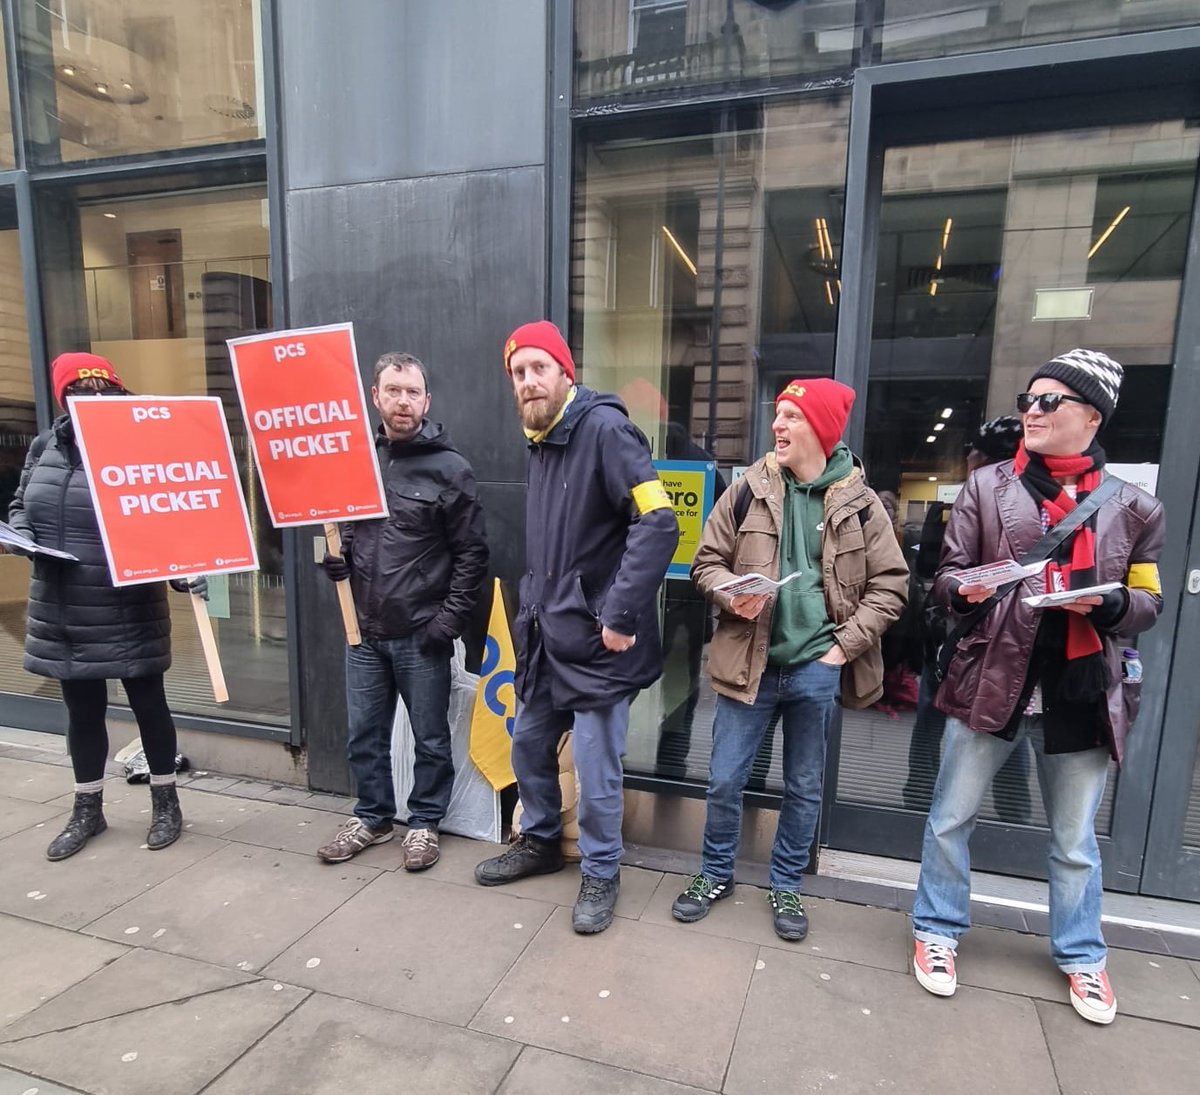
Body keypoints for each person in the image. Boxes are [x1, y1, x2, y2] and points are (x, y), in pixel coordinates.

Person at [911, 349, 1164, 1026]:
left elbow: (1147, 600)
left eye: (1049, 401)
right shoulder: (986, 486)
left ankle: (1083, 955)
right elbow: (947, 573)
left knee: (1075, 839)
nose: (1032, 409)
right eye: (1029, 397)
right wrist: (961, 590)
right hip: (992, 678)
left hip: (1080, 690)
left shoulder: (1136, 507)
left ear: (1090, 415)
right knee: (949, 819)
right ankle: (936, 929)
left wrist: (1107, 609)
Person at [673, 378, 909, 941]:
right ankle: (715, 873)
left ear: (822, 430)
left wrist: (840, 650)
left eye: (791, 416)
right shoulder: (747, 490)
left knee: (803, 787)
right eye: (777, 414)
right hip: (748, 664)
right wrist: (731, 591)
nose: (776, 426)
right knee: (726, 781)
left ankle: (785, 883)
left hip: (816, 669)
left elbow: (891, 587)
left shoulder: (861, 502)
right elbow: (705, 564)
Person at [474, 321, 679, 934]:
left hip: (597, 640)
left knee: (596, 769)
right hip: (547, 634)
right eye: (519, 372)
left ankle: (602, 869)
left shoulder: (606, 430)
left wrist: (618, 616)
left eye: (540, 368)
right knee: (528, 747)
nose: (529, 381)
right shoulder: (540, 437)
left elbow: (659, 523)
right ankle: (539, 841)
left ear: (567, 372)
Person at [4, 353, 206, 860]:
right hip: (64, 605)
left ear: (117, 394)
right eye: (79, 392)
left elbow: (172, 514)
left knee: (149, 706)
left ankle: (166, 804)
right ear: (63, 399)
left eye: (103, 391)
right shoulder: (44, 446)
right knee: (83, 712)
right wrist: (22, 537)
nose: (93, 400)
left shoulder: (142, 446)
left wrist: (188, 565)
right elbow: (20, 506)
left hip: (128, 604)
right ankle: (87, 810)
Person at [317, 352, 488, 870]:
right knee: (364, 735)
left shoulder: (450, 469)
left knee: (431, 739)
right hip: (363, 632)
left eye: (413, 392)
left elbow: (473, 554)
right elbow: (341, 527)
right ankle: (371, 817)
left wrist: (447, 623)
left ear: (427, 400)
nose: (403, 401)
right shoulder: (356, 460)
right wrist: (336, 557)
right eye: (393, 390)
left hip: (420, 633)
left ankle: (424, 823)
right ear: (376, 396)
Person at [901, 415, 1031, 820]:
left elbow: (929, 567)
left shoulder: (955, 504)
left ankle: (919, 795)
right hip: (980, 634)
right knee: (1007, 722)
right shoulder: (1023, 510)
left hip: (961, 635)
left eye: (973, 453)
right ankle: (1013, 812)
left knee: (935, 717)